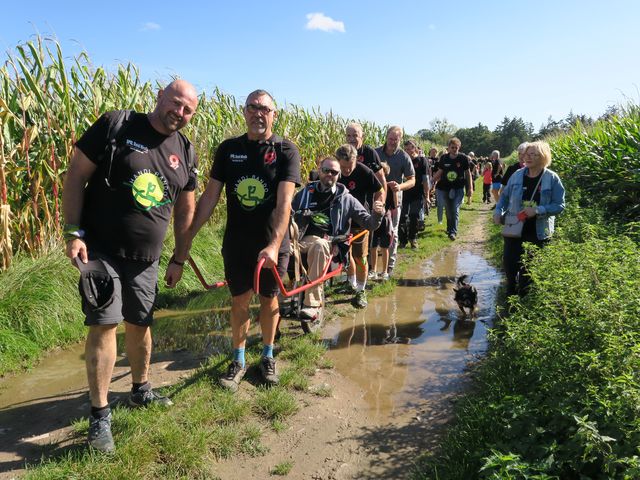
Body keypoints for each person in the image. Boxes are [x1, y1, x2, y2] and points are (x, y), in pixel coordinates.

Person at [62, 79, 199, 453]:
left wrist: (179, 256)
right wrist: (73, 232)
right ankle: (100, 415)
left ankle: (140, 390)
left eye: (188, 110)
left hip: (147, 261)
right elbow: (75, 174)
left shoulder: (185, 150)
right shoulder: (116, 125)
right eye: (176, 103)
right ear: (159, 96)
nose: (180, 113)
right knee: (105, 324)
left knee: (141, 323)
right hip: (100, 251)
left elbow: (186, 208)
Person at [185, 89, 301, 392]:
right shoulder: (228, 149)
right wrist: (187, 239)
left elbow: (284, 202)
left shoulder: (286, 151)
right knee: (239, 300)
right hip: (237, 241)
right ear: (244, 112)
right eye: (252, 107)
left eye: (265, 108)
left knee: (268, 299)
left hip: (271, 243)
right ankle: (237, 359)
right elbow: (210, 196)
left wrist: (274, 245)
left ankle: (266, 355)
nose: (258, 113)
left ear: (274, 115)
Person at [292, 156, 384, 319]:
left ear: (339, 175)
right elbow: (289, 213)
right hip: (302, 239)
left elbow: (369, 223)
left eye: (334, 172)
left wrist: (377, 214)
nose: (329, 174)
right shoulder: (306, 193)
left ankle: (312, 304)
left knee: (319, 244)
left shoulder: (346, 199)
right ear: (319, 171)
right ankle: (274, 304)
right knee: (280, 249)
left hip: (331, 244)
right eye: (326, 170)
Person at [493, 141, 565, 296]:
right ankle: (510, 292)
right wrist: (498, 211)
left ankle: (523, 301)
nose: (529, 157)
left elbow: (560, 205)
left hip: (538, 232)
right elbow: (504, 197)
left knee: (529, 269)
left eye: (534, 154)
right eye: (527, 154)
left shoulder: (552, 178)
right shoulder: (517, 175)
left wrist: (538, 210)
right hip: (515, 228)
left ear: (543, 156)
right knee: (510, 264)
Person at [335, 144, 383, 308]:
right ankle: (351, 281)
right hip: (339, 222)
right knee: (345, 256)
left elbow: (380, 190)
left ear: (356, 161)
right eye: (343, 167)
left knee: (360, 257)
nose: (346, 171)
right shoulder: (333, 172)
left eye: (350, 167)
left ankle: (361, 291)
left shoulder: (364, 171)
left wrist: (378, 204)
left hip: (360, 221)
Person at [376, 126, 415, 276]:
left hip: (394, 198)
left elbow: (412, 180)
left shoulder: (404, 156)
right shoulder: (376, 153)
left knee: (393, 231)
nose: (392, 142)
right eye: (390, 139)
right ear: (386, 137)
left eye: (396, 139)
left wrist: (400, 186)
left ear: (400, 139)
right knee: (374, 228)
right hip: (377, 196)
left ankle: (390, 266)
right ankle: (372, 265)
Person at [432, 138, 473, 240]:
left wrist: (470, 188)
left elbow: (468, 174)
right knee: (449, 210)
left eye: (456, 148)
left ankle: (453, 232)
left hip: (458, 188)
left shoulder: (463, 158)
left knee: (455, 209)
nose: (454, 149)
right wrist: (431, 181)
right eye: (452, 147)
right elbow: (440, 172)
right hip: (446, 188)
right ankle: (449, 228)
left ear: (459, 148)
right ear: (448, 148)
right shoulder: (444, 158)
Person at [400, 139, 430, 249]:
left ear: (415, 148)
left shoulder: (422, 161)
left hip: (417, 193)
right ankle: (402, 241)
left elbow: (425, 179)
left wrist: (427, 196)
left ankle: (413, 238)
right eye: (406, 149)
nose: (408, 151)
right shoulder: (402, 159)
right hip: (404, 192)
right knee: (403, 217)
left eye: (410, 148)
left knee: (414, 216)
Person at [345, 122, 387, 196]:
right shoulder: (342, 152)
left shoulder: (369, 153)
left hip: (366, 201)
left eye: (355, 136)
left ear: (362, 137)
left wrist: (381, 202)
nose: (351, 139)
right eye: (348, 136)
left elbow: (381, 179)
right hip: (347, 199)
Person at [370, 162, 394, 281]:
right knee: (372, 246)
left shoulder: (388, 187)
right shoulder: (371, 186)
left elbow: (394, 205)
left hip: (385, 219)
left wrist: (395, 192)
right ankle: (373, 270)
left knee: (384, 247)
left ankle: (384, 271)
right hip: (373, 218)